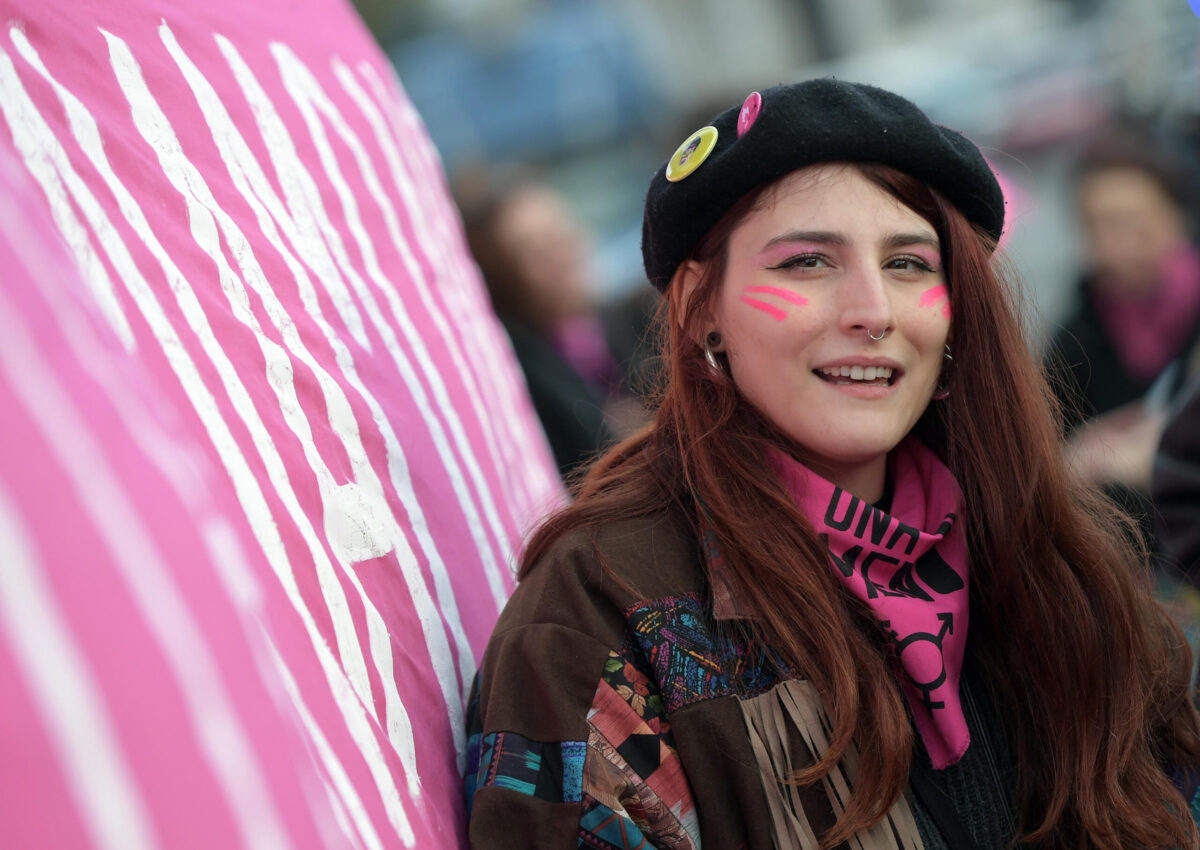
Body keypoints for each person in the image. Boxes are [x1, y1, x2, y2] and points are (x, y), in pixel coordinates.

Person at [464, 80, 1200, 849]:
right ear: (698, 309)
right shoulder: (599, 614)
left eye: (910, 263)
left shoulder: (1046, 551)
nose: (873, 310)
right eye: (808, 261)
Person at [456, 170, 654, 478]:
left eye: (561, 232)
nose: (564, 253)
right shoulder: (524, 380)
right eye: (537, 251)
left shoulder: (638, 318)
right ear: (501, 277)